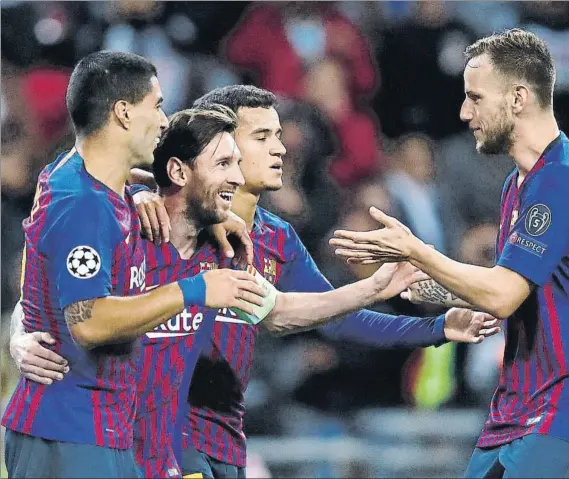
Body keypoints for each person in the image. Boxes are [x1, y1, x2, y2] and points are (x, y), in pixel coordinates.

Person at [1, 51, 267, 479]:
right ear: (123, 112)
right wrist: (195, 289)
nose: (164, 122)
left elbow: (38, 279)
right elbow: (88, 322)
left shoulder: (89, 184)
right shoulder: (82, 205)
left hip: (101, 428)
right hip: (67, 432)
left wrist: (169, 197)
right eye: (157, 105)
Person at [330, 28, 569, 478]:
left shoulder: (559, 180)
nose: (464, 112)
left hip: (557, 413)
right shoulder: (517, 185)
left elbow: (501, 296)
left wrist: (419, 252)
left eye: (475, 98)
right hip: (515, 408)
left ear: (518, 98)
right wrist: (402, 279)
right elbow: (507, 293)